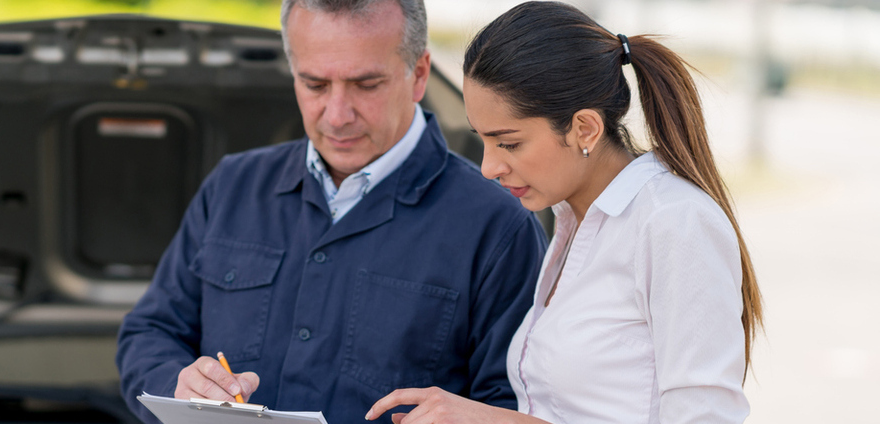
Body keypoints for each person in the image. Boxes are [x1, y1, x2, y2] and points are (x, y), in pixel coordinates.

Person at [114, 0, 548, 423]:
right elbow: (150, 332)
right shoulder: (233, 185)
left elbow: (514, 406)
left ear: (418, 75)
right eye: (315, 85)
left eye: (366, 85)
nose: (337, 116)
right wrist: (179, 385)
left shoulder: (499, 227)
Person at [366, 2, 764, 423]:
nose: (488, 167)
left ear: (585, 129)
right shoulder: (571, 220)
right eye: (481, 139)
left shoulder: (672, 223)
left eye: (509, 143)